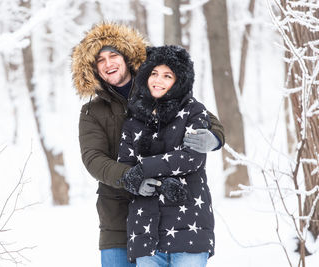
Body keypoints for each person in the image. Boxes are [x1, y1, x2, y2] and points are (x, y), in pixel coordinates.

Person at [71, 23, 224, 267]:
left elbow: (200, 116)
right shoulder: (92, 111)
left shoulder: (156, 85)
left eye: (113, 56)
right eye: (100, 60)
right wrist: (131, 176)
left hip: (169, 210)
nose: (108, 64)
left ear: (126, 57)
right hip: (118, 214)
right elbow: (93, 159)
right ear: (92, 69)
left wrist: (215, 137)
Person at [118, 45, 214, 266]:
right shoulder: (133, 119)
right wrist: (134, 183)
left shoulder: (194, 111)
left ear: (179, 80)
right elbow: (126, 165)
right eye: (153, 73)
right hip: (145, 232)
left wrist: (144, 169)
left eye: (167, 75)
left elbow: (192, 157)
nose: (158, 80)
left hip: (189, 229)